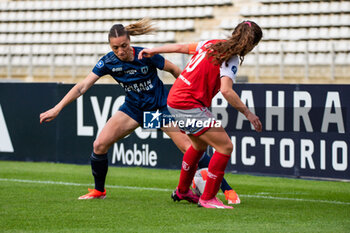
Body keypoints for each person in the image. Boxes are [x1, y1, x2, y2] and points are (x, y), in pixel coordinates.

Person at [39, 18, 239, 204]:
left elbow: (175, 70)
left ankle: (226, 188)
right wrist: (57, 108)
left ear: (130, 42)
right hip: (133, 110)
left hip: (160, 110)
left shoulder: (146, 55)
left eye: (124, 46)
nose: (120, 51)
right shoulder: (108, 62)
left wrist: (189, 96)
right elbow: (82, 86)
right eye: (115, 47)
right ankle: (99, 191)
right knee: (99, 144)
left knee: (190, 148)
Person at [139, 20, 263, 209]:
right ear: (251, 44)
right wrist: (248, 113)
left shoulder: (211, 43)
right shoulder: (231, 57)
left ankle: (182, 190)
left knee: (198, 146)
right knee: (225, 147)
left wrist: (154, 50)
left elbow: (182, 47)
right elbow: (227, 91)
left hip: (175, 98)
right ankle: (208, 198)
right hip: (188, 103)